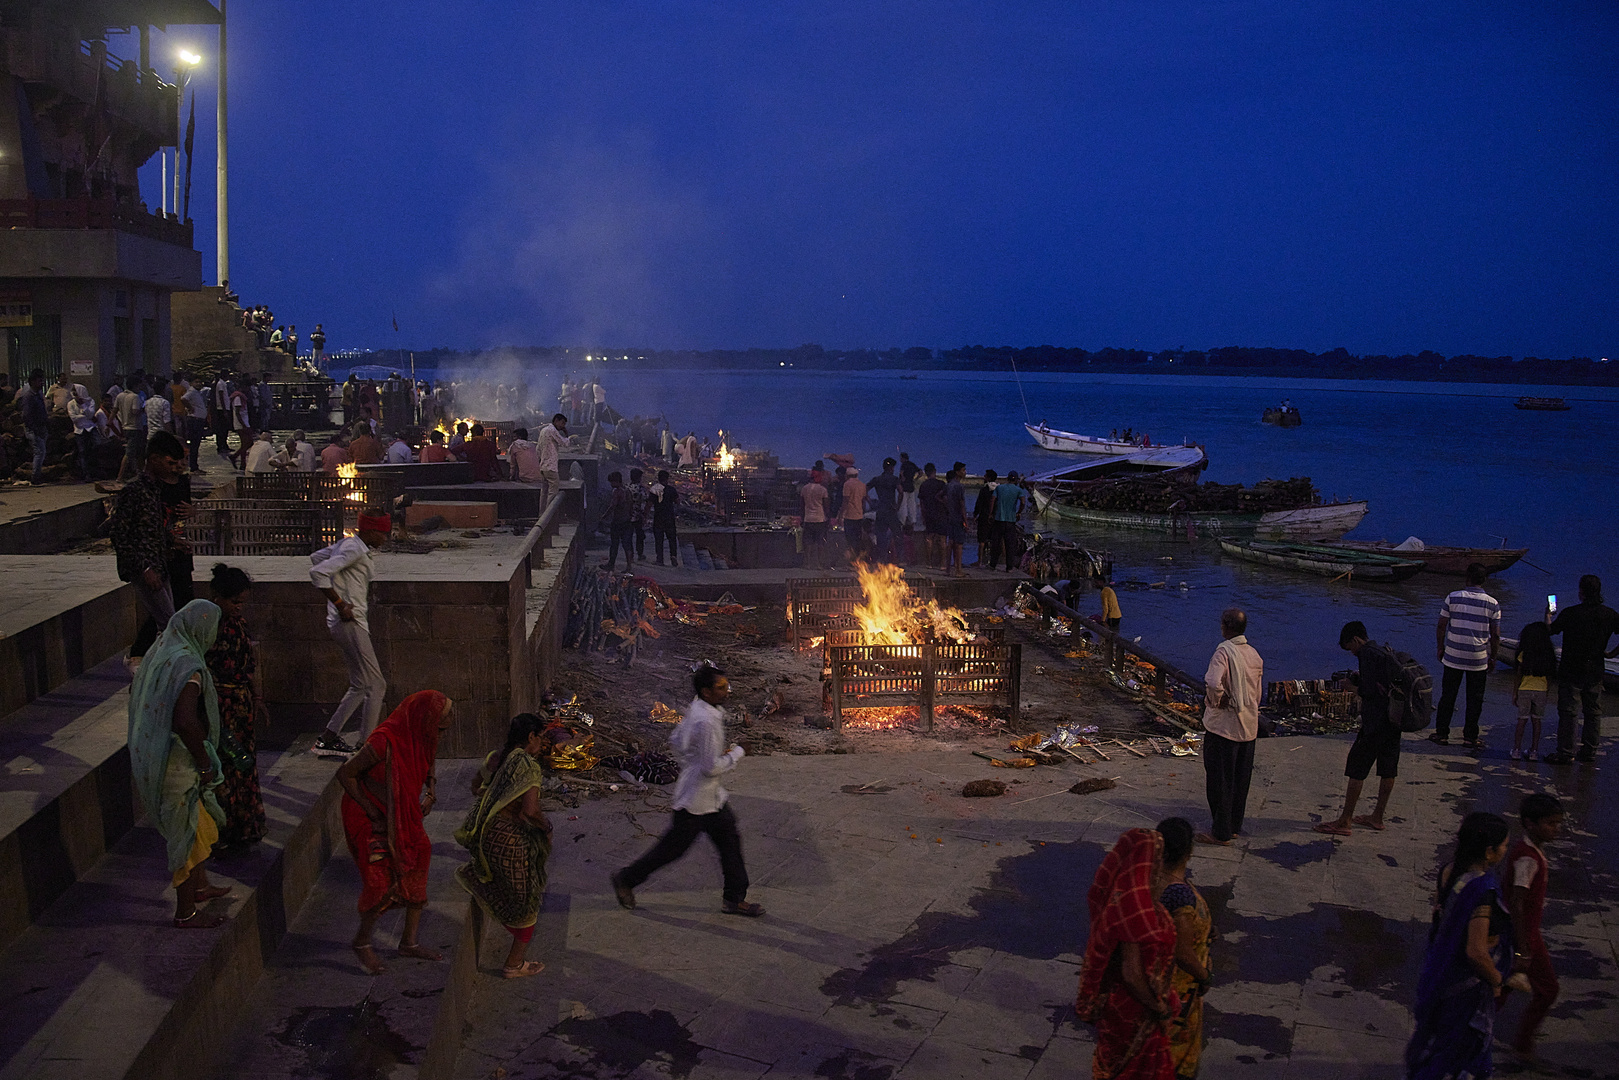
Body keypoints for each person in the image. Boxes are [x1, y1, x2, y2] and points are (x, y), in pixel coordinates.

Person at [611, 664, 763, 917]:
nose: (727, 692)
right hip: (698, 800)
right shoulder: (706, 722)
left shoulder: (699, 709)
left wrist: (692, 761)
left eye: (726, 686)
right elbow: (710, 768)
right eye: (721, 688)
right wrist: (738, 752)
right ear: (706, 691)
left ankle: (734, 898)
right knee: (673, 849)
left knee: (729, 843)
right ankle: (626, 878)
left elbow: (677, 741)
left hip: (707, 797)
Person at [127, 599, 234, 927]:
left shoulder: (162, 652)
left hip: (162, 757)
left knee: (197, 824)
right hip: (177, 765)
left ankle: (200, 887)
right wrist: (204, 763)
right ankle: (185, 913)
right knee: (185, 836)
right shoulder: (188, 665)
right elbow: (185, 720)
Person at [337, 690, 453, 975]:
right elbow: (346, 774)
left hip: (401, 812)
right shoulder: (383, 741)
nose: (443, 727)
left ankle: (408, 942)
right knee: (379, 879)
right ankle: (362, 942)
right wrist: (373, 811)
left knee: (419, 856)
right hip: (368, 812)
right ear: (423, 719)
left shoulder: (421, 734)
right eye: (440, 721)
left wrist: (430, 790)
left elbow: (428, 755)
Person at [1406, 811, 1512, 1080]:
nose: (1505, 851)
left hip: (1440, 972)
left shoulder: (1448, 872)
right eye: (1504, 845)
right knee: (1459, 1054)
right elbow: (1476, 951)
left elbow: (1439, 920)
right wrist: (1497, 979)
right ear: (1489, 852)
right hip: (1465, 986)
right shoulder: (1482, 889)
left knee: (1438, 1043)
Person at [454, 713, 555, 979]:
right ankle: (514, 964)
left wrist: (495, 800)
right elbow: (532, 811)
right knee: (528, 902)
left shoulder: (497, 758)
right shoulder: (527, 766)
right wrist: (546, 827)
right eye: (541, 737)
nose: (543, 743)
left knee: (513, 888)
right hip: (506, 837)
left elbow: (476, 787)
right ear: (531, 737)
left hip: (484, 834)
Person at [1074, 827, 1180, 1079]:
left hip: (1120, 1009)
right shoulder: (1132, 907)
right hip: (1133, 1012)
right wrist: (1159, 1008)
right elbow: (1132, 974)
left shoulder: (1120, 897)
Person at [309, 511, 392, 758]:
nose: (384, 539)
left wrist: (343, 581)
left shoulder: (349, 545)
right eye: (381, 533)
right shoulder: (354, 549)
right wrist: (340, 602)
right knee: (376, 684)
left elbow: (316, 557)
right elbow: (318, 572)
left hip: (345, 623)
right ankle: (365, 746)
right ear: (368, 531)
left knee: (360, 684)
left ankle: (328, 739)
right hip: (350, 622)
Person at [1317, 622, 1403, 837]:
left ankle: (1345, 820)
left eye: (1350, 648)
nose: (1352, 653)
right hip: (1394, 719)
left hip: (1375, 723)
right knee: (1388, 768)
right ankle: (1377, 816)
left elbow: (1369, 691)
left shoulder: (1367, 654)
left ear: (1356, 640)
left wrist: (1351, 687)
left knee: (1357, 768)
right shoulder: (1385, 651)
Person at [113, 432, 190, 664]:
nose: (173, 469)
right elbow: (120, 534)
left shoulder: (155, 490)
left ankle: (150, 666)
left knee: (167, 621)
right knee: (170, 623)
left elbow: (151, 529)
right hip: (145, 568)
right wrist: (145, 568)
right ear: (154, 459)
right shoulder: (134, 491)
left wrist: (171, 541)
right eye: (169, 463)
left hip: (160, 564)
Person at [204, 564, 266, 850]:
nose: (239, 607)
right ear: (217, 598)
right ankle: (226, 829)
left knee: (244, 764)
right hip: (221, 707)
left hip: (240, 705)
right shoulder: (208, 627)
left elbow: (251, 665)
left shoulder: (238, 624)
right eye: (234, 602)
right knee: (228, 766)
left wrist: (257, 699)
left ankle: (246, 825)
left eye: (242, 602)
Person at [1503, 792, 1563, 1064]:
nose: (1555, 829)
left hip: (1522, 933)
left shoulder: (1529, 851)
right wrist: (1524, 947)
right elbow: (1517, 903)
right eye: (1550, 823)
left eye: (1557, 823)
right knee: (1547, 989)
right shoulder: (1527, 858)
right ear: (1529, 823)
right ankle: (1523, 1047)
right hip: (1525, 935)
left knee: (1500, 988)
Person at [1199, 608, 1261, 847]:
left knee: (1219, 780)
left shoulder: (1224, 651)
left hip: (1223, 727)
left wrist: (1219, 699)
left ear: (1225, 626)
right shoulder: (1254, 654)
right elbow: (1257, 693)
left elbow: (1213, 682)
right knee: (1240, 779)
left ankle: (1221, 831)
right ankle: (1234, 826)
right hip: (1248, 726)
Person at [1546, 574, 1619, 764]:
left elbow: (1550, 631)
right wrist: (1612, 654)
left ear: (1581, 592)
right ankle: (1589, 751)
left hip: (1571, 669)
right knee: (1593, 712)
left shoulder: (1571, 613)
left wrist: (1548, 615)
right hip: (1595, 669)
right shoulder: (1609, 614)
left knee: (1569, 712)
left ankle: (1566, 752)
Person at [1157, 817, 1210, 1080]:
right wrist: (1203, 975)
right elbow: (1183, 953)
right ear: (1188, 852)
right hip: (1177, 992)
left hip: (1151, 986)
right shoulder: (1179, 896)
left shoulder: (1145, 881)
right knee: (1173, 1062)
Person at [1432, 564, 1501, 748]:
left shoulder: (1453, 597)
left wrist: (1440, 647)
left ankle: (1442, 734)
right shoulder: (1493, 603)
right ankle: (1470, 737)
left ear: (1467, 578)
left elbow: (1441, 626)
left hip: (1453, 654)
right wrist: (1493, 657)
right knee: (1475, 699)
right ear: (1483, 580)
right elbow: (1495, 636)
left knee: (1448, 696)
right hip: (1478, 658)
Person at [1511, 621, 1557, 761]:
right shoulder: (1548, 655)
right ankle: (1534, 751)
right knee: (1537, 721)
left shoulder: (1525, 653)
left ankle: (1517, 750)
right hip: (1541, 690)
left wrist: (1515, 692)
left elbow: (1519, 674)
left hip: (1525, 689)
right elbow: (1549, 677)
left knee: (1522, 720)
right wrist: (1547, 692)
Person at [18, 369, 49, 484]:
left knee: (41, 452)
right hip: (34, 429)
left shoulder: (38, 394)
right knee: (39, 452)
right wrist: (35, 429)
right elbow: (26, 416)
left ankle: (37, 476)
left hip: (41, 428)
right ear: (32, 382)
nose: (42, 383)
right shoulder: (29, 397)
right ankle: (35, 478)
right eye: (39, 381)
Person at [868, 458, 902, 562]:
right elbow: (901, 492)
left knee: (880, 537)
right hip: (891, 510)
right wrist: (898, 506)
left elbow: (865, 489)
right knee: (898, 535)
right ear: (891, 468)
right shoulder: (894, 479)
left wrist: (870, 502)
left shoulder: (877, 479)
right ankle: (899, 559)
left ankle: (881, 559)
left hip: (881, 510)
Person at [990, 471, 1023, 572]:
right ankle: (1009, 567)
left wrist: (990, 513)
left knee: (996, 543)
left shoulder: (999, 488)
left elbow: (992, 500)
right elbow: (1023, 502)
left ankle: (993, 565)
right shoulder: (1018, 490)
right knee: (1010, 545)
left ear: (1007, 478)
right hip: (1010, 521)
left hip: (999, 519)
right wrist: (1019, 512)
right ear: (1016, 480)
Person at [918, 463, 949, 569]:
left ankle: (928, 563)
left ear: (926, 473)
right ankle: (942, 564)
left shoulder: (923, 485)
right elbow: (945, 499)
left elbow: (921, 503)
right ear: (934, 471)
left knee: (929, 538)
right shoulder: (941, 484)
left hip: (929, 514)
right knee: (942, 539)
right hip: (941, 514)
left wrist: (923, 515)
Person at [115, 377, 146, 481]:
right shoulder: (135, 397)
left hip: (125, 426)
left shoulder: (120, 396)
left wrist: (109, 422)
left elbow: (115, 409)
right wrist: (143, 409)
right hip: (135, 427)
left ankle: (137, 472)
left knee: (135, 451)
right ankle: (120, 475)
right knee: (130, 453)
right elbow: (135, 411)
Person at [538, 413, 572, 507]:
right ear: (556, 420)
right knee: (553, 492)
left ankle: (542, 515)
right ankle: (550, 516)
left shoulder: (543, 430)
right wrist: (567, 435)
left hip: (543, 466)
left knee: (544, 492)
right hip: (551, 467)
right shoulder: (552, 430)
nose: (563, 426)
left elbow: (538, 449)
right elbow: (564, 443)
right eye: (562, 423)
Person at [603, 471, 634, 571]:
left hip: (618, 521)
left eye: (612, 482)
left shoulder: (617, 491)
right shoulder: (628, 490)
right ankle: (629, 566)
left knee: (614, 544)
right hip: (627, 520)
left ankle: (611, 564)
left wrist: (604, 516)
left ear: (616, 481)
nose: (611, 485)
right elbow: (631, 506)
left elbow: (612, 506)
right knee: (627, 544)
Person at [800, 468, 829, 570]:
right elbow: (826, 506)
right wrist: (828, 518)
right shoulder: (822, 490)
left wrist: (802, 518)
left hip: (808, 519)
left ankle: (807, 563)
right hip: (820, 519)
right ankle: (819, 564)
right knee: (820, 542)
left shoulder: (804, 488)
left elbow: (802, 505)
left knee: (808, 542)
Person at [897, 452, 923, 562]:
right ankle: (912, 522)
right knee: (912, 506)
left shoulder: (904, 465)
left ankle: (902, 523)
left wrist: (902, 480)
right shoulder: (913, 464)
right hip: (911, 487)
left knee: (903, 506)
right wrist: (915, 480)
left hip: (904, 487)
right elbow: (921, 472)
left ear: (903, 458)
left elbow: (902, 474)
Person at [944, 463, 969, 577]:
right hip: (957, 517)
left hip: (950, 517)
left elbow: (939, 496)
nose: (965, 472)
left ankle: (948, 568)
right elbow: (962, 504)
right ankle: (958, 570)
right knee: (959, 544)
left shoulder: (949, 485)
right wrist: (965, 520)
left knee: (951, 543)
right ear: (958, 472)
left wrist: (948, 505)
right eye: (963, 470)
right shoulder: (959, 486)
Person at [840, 466, 868, 563]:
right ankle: (858, 561)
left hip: (849, 516)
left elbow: (845, 501)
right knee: (857, 539)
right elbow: (863, 501)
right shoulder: (862, 485)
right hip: (859, 516)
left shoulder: (847, 484)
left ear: (847, 475)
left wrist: (840, 515)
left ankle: (851, 562)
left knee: (850, 540)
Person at [652, 470, 680, 566]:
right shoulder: (671, 490)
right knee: (671, 538)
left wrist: (645, 515)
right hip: (669, 517)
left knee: (659, 539)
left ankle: (660, 559)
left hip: (658, 517)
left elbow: (648, 504)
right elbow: (677, 501)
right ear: (667, 479)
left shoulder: (654, 489)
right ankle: (673, 556)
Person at [972, 469, 997, 567]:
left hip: (984, 517)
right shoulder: (998, 489)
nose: (983, 477)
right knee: (994, 540)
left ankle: (980, 561)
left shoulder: (984, 490)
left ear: (989, 478)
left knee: (981, 540)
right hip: (995, 518)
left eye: (985, 476)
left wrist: (975, 515)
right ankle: (995, 562)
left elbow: (979, 504)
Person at [628, 468, 650, 562]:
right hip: (638, 516)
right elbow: (646, 502)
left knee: (628, 537)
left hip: (628, 515)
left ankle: (630, 555)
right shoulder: (641, 489)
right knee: (639, 536)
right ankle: (640, 554)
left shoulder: (627, 488)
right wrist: (645, 515)